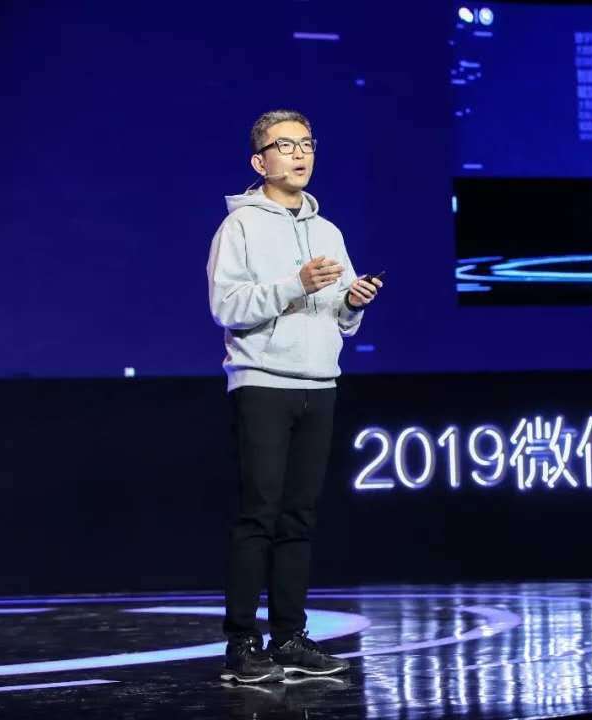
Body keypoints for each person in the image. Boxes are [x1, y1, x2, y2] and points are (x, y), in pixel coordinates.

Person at [206, 109, 383, 683]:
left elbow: (341, 320)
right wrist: (294, 285)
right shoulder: (240, 227)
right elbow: (227, 307)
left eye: (307, 143)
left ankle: (289, 637)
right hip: (262, 382)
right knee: (258, 515)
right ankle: (241, 645)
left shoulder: (328, 231)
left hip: (319, 383)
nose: (300, 154)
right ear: (260, 162)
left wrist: (352, 302)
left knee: (299, 519)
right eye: (285, 146)